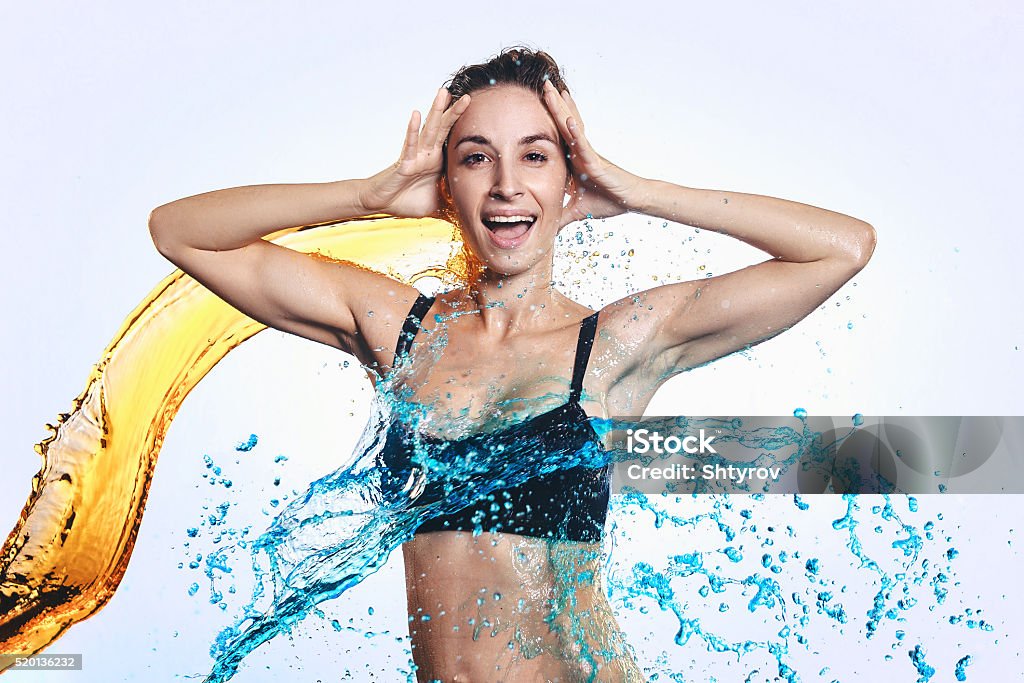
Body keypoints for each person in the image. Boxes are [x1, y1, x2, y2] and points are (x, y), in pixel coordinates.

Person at [149, 47, 875, 682]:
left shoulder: (614, 343)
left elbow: (842, 247)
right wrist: (368, 196)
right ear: (446, 187)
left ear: (570, 182)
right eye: (475, 157)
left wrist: (636, 191)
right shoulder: (402, 329)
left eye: (535, 155)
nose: (505, 183)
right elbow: (181, 233)